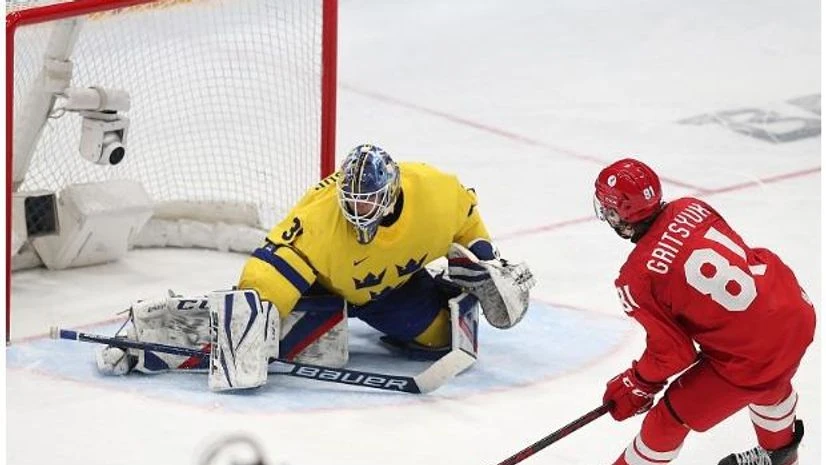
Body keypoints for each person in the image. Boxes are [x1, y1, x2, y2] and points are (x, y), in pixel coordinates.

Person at [95, 144, 534, 382]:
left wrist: (483, 262)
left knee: (443, 335)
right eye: (352, 203)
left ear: (391, 193)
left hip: (391, 289)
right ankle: (148, 336)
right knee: (258, 331)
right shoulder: (320, 220)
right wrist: (251, 323)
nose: (358, 213)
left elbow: (467, 219)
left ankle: (442, 289)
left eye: (368, 203)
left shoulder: (435, 191)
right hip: (321, 284)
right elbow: (270, 274)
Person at [593, 158, 815, 465]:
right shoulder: (691, 207)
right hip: (793, 312)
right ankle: (782, 453)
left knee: (667, 421)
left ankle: (781, 452)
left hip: (755, 353)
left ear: (620, 214)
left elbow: (674, 353)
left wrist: (638, 383)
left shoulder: (636, 279)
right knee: (769, 376)